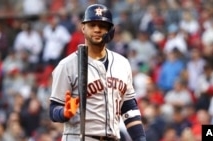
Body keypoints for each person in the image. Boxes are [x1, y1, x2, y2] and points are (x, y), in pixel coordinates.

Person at [49, 4, 146, 141]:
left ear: (110, 30)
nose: (97, 29)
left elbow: (129, 107)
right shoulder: (67, 65)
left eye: (102, 25)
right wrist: (64, 112)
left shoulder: (122, 63)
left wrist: (140, 138)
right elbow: (53, 109)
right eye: (92, 25)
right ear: (83, 28)